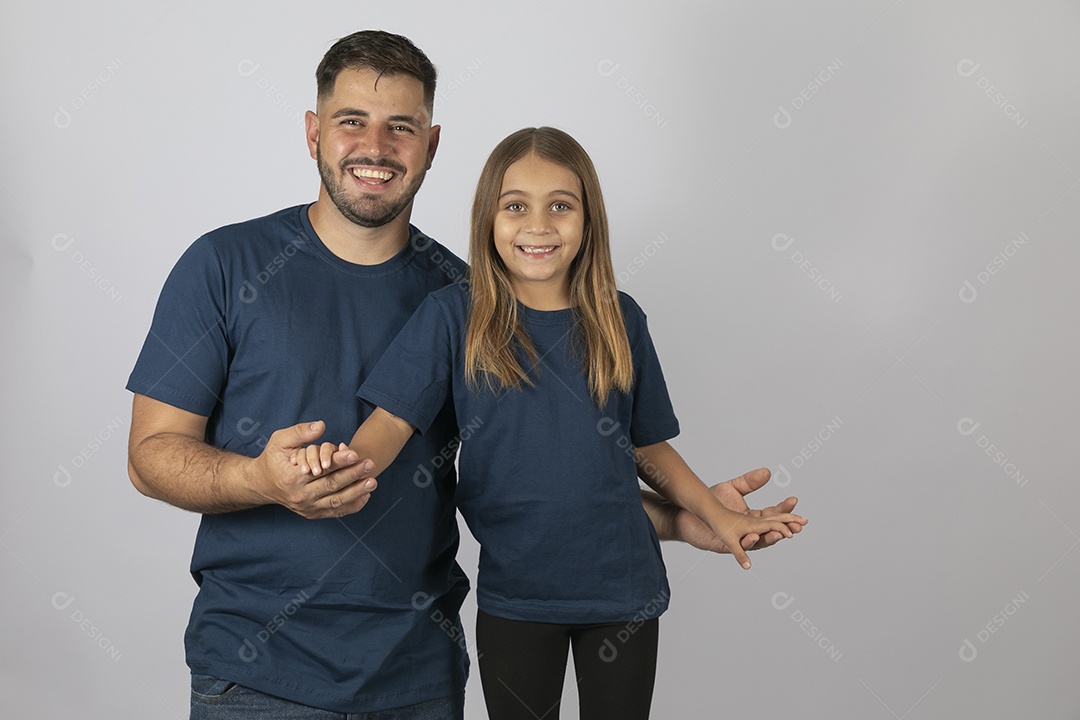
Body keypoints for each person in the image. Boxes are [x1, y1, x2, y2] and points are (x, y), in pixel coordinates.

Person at [126, 30, 802, 719]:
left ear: (432, 144)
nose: (376, 147)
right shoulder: (225, 267)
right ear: (312, 132)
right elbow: (150, 458)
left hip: (419, 676)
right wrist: (258, 479)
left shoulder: (479, 304)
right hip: (259, 679)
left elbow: (547, 474)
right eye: (351, 121)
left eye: (402, 127)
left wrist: (684, 518)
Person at [293, 127, 807, 720]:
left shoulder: (620, 318)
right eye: (516, 206)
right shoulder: (453, 316)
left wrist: (717, 513)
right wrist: (343, 467)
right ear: (489, 217)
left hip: (625, 592)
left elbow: (648, 449)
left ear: (589, 220)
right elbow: (390, 423)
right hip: (516, 597)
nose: (538, 226)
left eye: (560, 205)